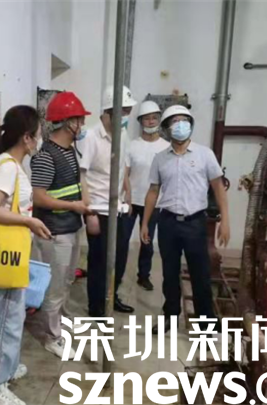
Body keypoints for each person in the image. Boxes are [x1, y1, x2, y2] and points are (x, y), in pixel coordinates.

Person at [0, 105, 51, 405]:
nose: (40, 140)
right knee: (3, 323)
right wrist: (28, 221)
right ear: (26, 138)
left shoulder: (9, 164)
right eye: (38, 134)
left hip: (14, 253)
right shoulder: (8, 167)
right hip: (5, 255)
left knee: (12, 316)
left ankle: (5, 370)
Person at [140, 105, 230, 334]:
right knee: (169, 274)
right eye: (175, 121)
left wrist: (226, 220)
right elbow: (153, 191)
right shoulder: (160, 158)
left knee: (200, 275)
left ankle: (206, 324)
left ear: (191, 124)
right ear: (167, 128)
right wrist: (145, 223)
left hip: (195, 223)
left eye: (184, 120)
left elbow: (218, 187)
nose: (180, 125)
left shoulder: (204, 154)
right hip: (168, 223)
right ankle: (170, 316)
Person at [27, 92, 92, 359]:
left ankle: (61, 318)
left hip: (71, 226)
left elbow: (75, 184)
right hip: (54, 231)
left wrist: (83, 205)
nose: (82, 125)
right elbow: (39, 197)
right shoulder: (46, 156)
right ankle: (52, 337)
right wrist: (74, 206)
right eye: (79, 120)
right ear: (68, 123)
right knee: (54, 286)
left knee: (66, 279)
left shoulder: (69, 151)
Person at [79, 85, 137, 317]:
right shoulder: (90, 137)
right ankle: (96, 307)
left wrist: (128, 195)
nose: (126, 117)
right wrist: (89, 213)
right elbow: (81, 176)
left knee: (120, 257)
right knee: (99, 261)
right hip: (98, 210)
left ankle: (112, 298)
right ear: (108, 111)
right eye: (123, 111)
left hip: (118, 208)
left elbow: (123, 168)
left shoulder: (122, 135)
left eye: (128, 112)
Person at [123, 100, 170, 291]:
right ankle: (117, 275)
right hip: (131, 201)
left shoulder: (166, 147)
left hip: (154, 203)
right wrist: (127, 196)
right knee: (122, 240)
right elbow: (125, 173)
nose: (151, 122)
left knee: (147, 242)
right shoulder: (132, 145)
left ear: (159, 120)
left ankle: (143, 276)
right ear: (140, 122)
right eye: (146, 118)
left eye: (154, 118)